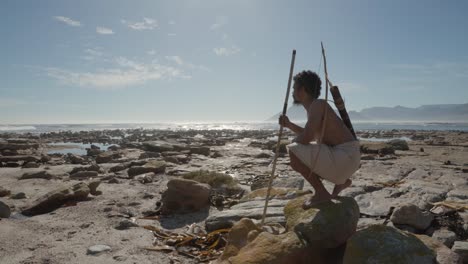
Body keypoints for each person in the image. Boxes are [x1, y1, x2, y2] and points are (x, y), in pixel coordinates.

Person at [279, 70, 360, 209]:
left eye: (294, 88)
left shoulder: (317, 105)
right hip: (347, 159)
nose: (292, 92)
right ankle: (341, 182)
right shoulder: (314, 107)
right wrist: (289, 125)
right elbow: (312, 134)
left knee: (294, 151)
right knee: (299, 150)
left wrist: (293, 147)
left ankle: (321, 193)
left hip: (345, 156)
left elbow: (306, 137)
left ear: (302, 89)